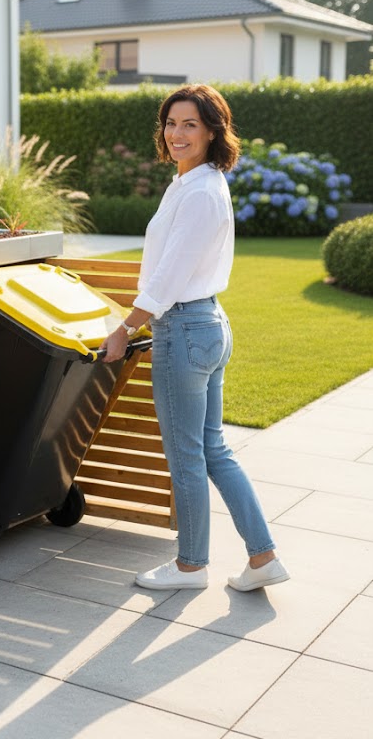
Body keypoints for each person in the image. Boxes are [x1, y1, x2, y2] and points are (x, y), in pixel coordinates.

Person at [100, 84, 289, 592]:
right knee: (211, 449)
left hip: (184, 329)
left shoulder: (202, 190)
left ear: (212, 131)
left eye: (190, 124)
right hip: (202, 325)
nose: (177, 133)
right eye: (170, 123)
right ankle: (263, 558)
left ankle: (190, 567)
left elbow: (170, 274)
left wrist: (125, 328)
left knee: (187, 453)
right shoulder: (190, 183)